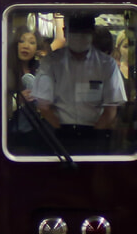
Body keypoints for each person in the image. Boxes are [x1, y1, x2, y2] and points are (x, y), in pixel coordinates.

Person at [32, 13, 126, 153]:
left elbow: (111, 110)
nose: (79, 36)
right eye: (75, 31)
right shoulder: (51, 62)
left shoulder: (107, 65)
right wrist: (64, 133)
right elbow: (44, 106)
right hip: (59, 134)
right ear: (65, 32)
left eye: (84, 32)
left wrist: (92, 137)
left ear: (92, 33)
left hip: (96, 134)